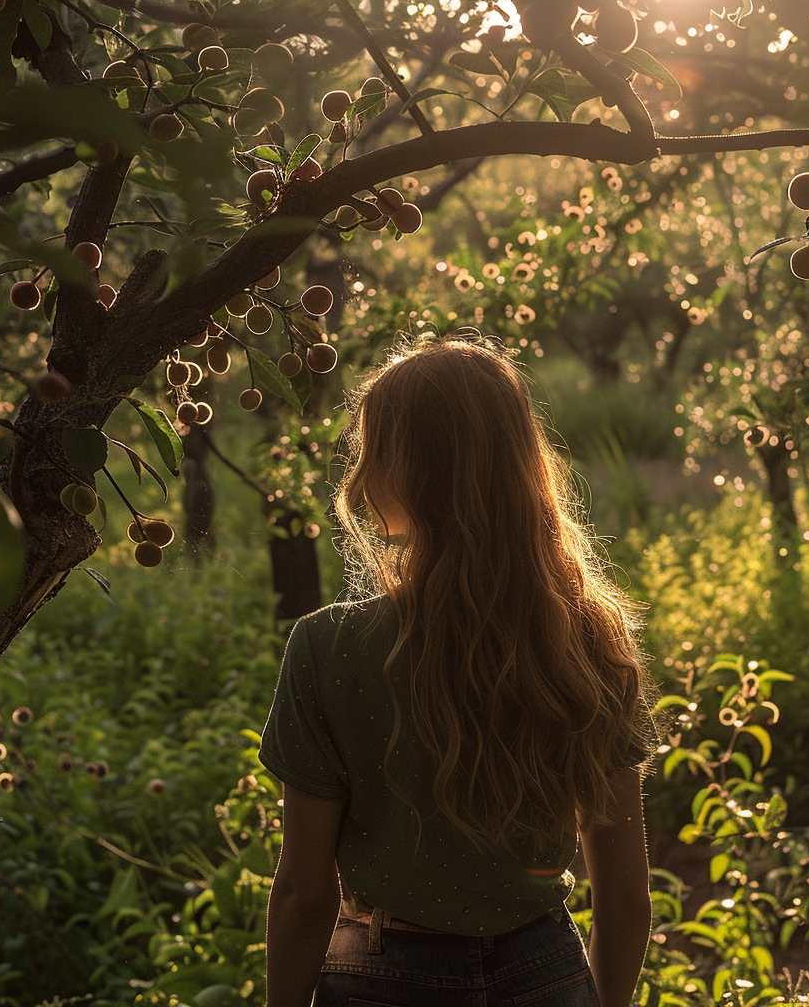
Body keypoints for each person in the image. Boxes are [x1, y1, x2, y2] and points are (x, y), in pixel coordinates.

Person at [260, 329, 658, 1007]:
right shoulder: (589, 639)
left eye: (371, 446)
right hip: (546, 973)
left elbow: (304, 895)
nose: (358, 468)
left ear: (401, 469)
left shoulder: (328, 648)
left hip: (385, 981)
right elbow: (624, 897)